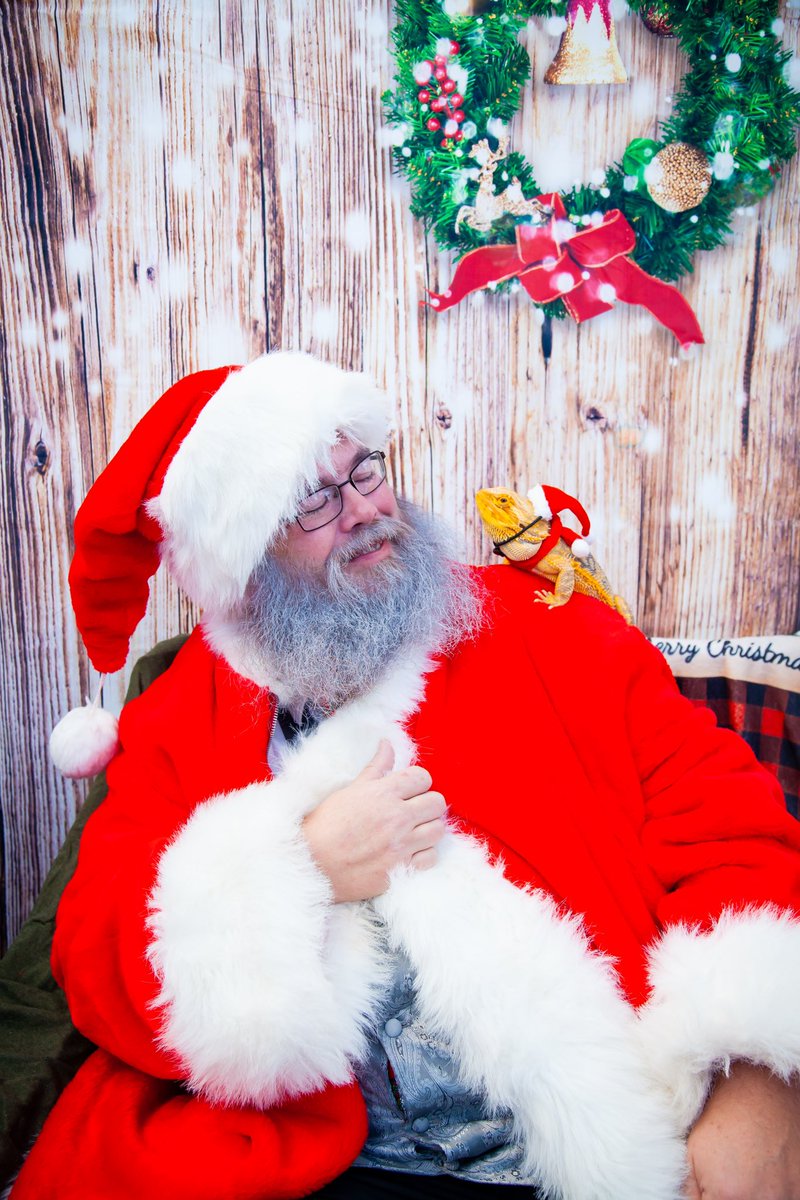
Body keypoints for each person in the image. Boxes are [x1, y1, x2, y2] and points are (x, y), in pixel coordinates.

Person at [10, 351, 800, 1200]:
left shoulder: (553, 634)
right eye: (312, 500)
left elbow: (736, 833)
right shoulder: (178, 715)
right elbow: (92, 956)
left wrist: (759, 1082)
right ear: (243, 563)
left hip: (571, 1150)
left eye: (363, 473)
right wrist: (297, 869)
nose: (362, 512)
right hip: (316, 1163)